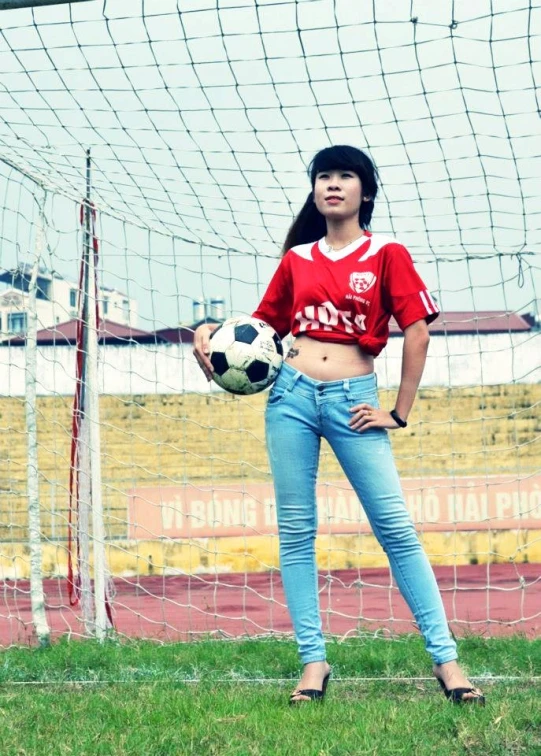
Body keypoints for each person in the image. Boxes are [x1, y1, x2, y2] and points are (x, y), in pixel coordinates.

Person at [194, 145, 485, 706]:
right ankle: (313, 662)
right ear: (314, 190)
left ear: (365, 191)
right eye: (323, 176)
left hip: (355, 400)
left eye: (345, 176)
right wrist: (207, 329)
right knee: (297, 533)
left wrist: (397, 412)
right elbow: (259, 332)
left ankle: (447, 662)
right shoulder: (297, 259)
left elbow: (417, 331)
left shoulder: (387, 252)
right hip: (291, 399)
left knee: (396, 530)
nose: (333, 185)